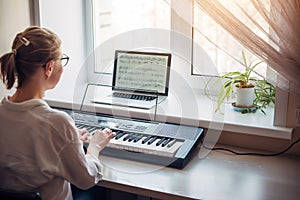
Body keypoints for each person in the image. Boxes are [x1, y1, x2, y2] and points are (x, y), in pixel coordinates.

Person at [0, 26, 115, 200]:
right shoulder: (57, 122)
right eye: (62, 59)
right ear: (49, 67)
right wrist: (95, 147)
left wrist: (70, 138)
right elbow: (87, 179)